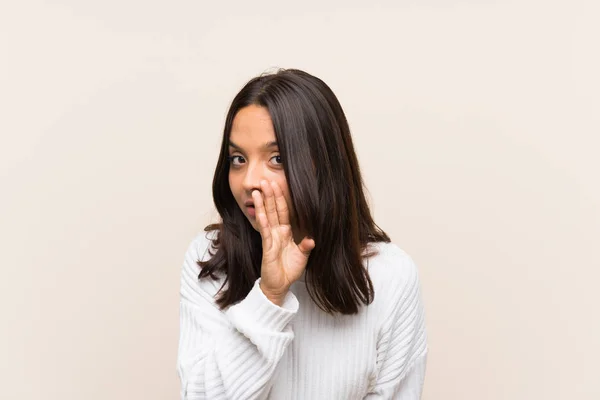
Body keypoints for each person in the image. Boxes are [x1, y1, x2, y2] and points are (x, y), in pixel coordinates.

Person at [177, 68, 428, 399]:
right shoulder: (209, 260)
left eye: (277, 158)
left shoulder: (391, 276)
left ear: (323, 166)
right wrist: (269, 295)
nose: (249, 179)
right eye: (238, 159)